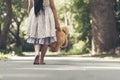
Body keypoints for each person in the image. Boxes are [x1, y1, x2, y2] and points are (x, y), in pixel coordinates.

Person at [27, 0, 61, 65]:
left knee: (36, 36)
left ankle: (37, 53)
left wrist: (30, 18)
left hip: (35, 14)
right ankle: (41, 59)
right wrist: (56, 22)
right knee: (46, 38)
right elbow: (53, 7)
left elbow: (30, 6)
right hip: (47, 15)